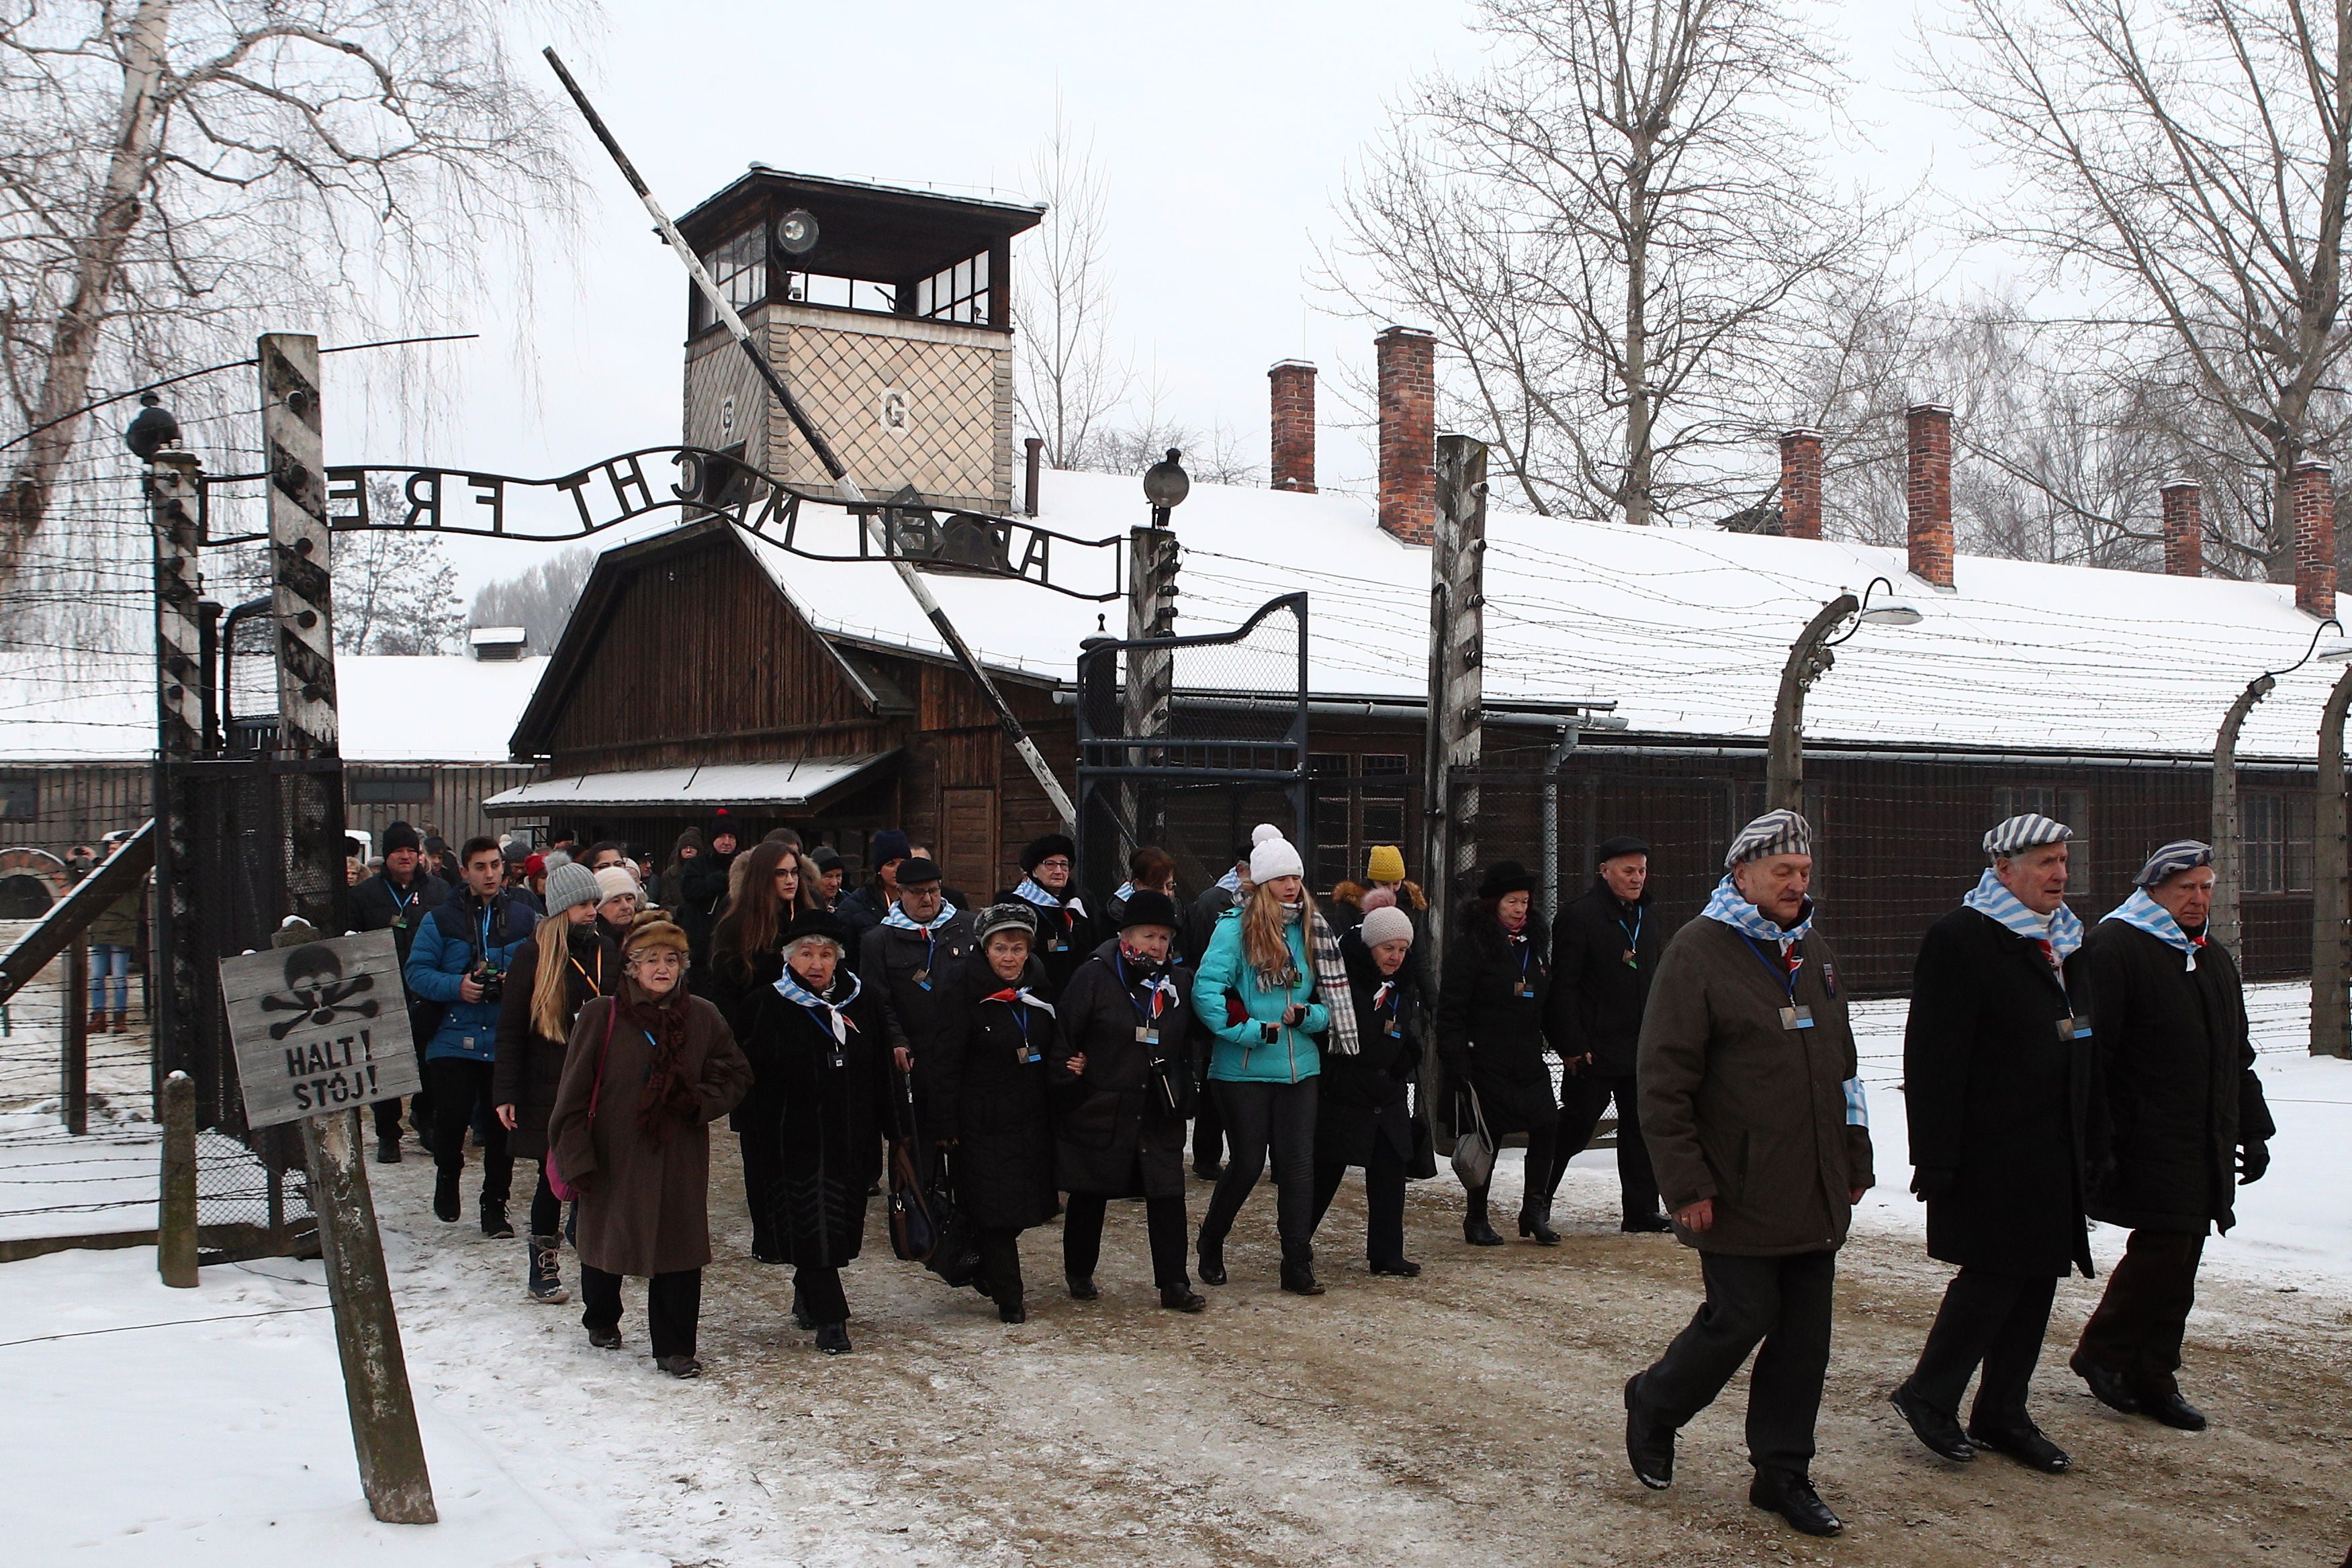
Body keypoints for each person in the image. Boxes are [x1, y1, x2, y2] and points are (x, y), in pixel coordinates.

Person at [1624, 809, 1873, 1538]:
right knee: (1741, 1317)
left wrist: (1855, 1154)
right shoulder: (1698, 952)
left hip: (1817, 1179)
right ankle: (1655, 1402)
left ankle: (1782, 1473)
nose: (1796, 884)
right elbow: (1663, 1081)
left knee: (1805, 1337)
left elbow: (1844, 1067)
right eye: (1782, 873)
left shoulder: (1812, 949)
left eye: (1802, 872)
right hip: (1735, 1182)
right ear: (1742, 876)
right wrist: (1686, 1184)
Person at [1891, 814, 2101, 1475]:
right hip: (1990, 1145)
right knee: (1993, 1275)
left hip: (2053, 1141)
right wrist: (1936, 1153)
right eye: (2044, 861)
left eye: (2063, 859)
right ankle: (1929, 1393)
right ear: (2003, 871)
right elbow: (1931, 1054)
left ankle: (2002, 1410)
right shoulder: (1962, 938)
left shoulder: (2065, 941)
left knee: (2040, 1274)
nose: (2059, 873)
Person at [2069, 840, 2273, 1433]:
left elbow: (2236, 1053)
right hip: (2143, 1130)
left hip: (2202, 1130)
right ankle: (2105, 1352)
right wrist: (2097, 1138)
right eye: (2186, 888)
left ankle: (2153, 1370)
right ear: (2153, 889)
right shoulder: (2117, 947)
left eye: (2206, 887)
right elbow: (2095, 1053)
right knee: (2165, 1246)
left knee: (2185, 1250)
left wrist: (2253, 1129)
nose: (2198, 898)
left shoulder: (2211, 957)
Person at [546, 915, 752, 1377]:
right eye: (652, 959)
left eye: (672, 959)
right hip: (612, 1152)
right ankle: (601, 1318)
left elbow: (736, 1073)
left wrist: (697, 1101)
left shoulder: (703, 1014)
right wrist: (576, 1155)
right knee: (605, 1242)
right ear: (632, 965)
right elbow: (573, 1094)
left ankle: (675, 1348)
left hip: (677, 1152)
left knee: (679, 1249)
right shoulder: (603, 1014)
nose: (663, 968)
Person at [1190, 831, 1343, 1297]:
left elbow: (1332, 1001)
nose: (1291, 884)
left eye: (1296, 875)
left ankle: (1297, 1263)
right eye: (1280, 877)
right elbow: (1206, 992)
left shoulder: (1314, 928)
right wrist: (1249, 1030)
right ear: (1261, 882)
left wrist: (1310, 1017)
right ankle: (1211, 1239)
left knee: (1298, 1167)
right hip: (1244, 1068)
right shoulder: (1234, 927)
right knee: (1249, 1162)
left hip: (1301, 1068)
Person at [739, 909, 891, 1354]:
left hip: (851, 1138)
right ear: (789, 958)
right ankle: (832, 1319)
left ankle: (809, 1295)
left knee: (837, 1232)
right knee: (811, 1225)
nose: (816, 964)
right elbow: (747, 1079)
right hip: (791, 1142)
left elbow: (881, 1070)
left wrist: (894, 1130)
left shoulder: (861, 1002)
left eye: (825, 954)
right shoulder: (765, 1003)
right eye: (806, 953)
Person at [1050, 888, 1207, 1312]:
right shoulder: (1095, 976)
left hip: (1158, 1103)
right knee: (1091, 1190)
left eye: (1164, 938)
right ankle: (1079, 1271)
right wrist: (1073, 1081)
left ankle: (1174, 1283)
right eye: (1148, 937)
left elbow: (1196, 1032)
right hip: (1103, 1101)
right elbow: (1064, 1036)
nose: (1157, 946)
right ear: (1127, 936)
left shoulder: (1179, 980)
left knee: (1167, 1192)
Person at [923, 903, 1061, 1324]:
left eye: (1018, 948)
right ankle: (1009, 1295)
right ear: (985, 950)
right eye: (1000, 947)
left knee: (1020, 1208)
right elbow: (944, 1061)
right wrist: (944, 1123)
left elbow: (1054, 1042)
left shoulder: (1038, 989)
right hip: (980, 1118)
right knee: (995, 1211)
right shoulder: (962, 991)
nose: (1009, 957)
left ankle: (974, 1262)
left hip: (1030, 1118)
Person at [492, 862, 615, 1305]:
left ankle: (588, 1238)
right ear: (562, 908)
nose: (591, 911)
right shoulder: (534, 954)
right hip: (549, 1081)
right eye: (583, 903)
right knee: (553, 1176)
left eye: (594, 903)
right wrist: (505, 1091)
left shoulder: (607, 949)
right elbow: (510, 1028)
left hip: (600, 1080)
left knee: (596, 1167)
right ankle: (543, 1263)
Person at [405, 835, 538, 1235]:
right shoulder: (438, 920)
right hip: (451, 1037)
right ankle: (447, 1177)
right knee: (451, 1121)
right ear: (464, 872)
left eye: (495, 865)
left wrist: (511, 976)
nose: (490, 874)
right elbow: (417, 973)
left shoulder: (523, 917)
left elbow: (540, 968)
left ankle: (495, 1206)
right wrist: (457, 985)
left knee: (503, 1131)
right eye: (480, 867)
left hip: (503, 1039)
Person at [1545, 835, 1670, 1232]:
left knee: (1641, 1130)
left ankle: (1642, 1210)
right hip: (1593, 1050)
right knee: (1577, 1126)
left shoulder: (1648, 916)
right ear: (1605, 871)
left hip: (1640, 1047)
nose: (1637, 879)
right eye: (1629, 871)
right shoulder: (1579, 917)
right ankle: (1538, 1200)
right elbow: (1563, 987)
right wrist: (1573, 1044)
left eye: (1643, 871)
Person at [1437, 860, 1563, 1246]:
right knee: (1485, 1138)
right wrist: (1456, 1060)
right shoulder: (1471, 947)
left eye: (1525, 901)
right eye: (1512, 901)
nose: (1520, 909)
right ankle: (1476, 1218)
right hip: (1483, 1060)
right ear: (1494, 903)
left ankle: (1535, 1210)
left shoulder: (1535, 947)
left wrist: (1571, 1045)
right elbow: (1451, 1010)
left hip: (1526, 1058)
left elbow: (1549, 1005)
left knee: (1547, 1126)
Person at [705, 840, 817, 1262]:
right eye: (781, 874)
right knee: (762, 1151)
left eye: (795, 873)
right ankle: (768, 1235)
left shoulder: (809, 919)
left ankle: (800, 1229)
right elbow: (724, 996)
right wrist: (744, 1050)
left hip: (808, 1051)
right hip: (757, 1057)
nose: (790, 881)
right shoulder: (736, 927)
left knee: (804, 1149)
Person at [1308, 896, 1424, 1278]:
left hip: (1387, 1091)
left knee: (1391, 1172)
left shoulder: (1401, 985)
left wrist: (1408, 1056)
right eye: (1388, 948)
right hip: (1346, 1093)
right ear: (1370, 946)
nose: (1395, 957)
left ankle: (1387, 1254)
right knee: (1325, 1173)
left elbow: (1407, 1026)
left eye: (1402, 950)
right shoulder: (1344, 983)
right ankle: (1296, 1242)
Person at [351, 821, 449, 1162]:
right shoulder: (364, 895)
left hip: (428, 991)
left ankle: (426, 1120)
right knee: (386, 1066)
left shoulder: (440, 891)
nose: (406, 857)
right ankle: (387, 1134)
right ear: (386, 855)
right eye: (398, 851)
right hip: (382, 994)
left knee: (430, 1063)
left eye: (411, 850)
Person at [1180, 837, 1259, 1181]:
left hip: (1257, 1005)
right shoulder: (1213, 901)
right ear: (1243, 869)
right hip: (1226, 1004)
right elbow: (1199, 953)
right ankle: (1207, 1154)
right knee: (1216, 1080)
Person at [860, 856, 975, 1080]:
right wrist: (896, 1040)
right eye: (917, 892)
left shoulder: (968, 927)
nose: (927, 899)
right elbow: (877, 1000)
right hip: (915, 1052)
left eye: (933, 891)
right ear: (900, 893)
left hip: (964, 1049)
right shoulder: (878, 940)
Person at [996, 833, 1097, 997]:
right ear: (1034, 871)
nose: (1059, 871)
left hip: (1079, 992)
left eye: (1064, 865)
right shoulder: (1014, 906)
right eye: (1050, 864)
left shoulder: (1081, 902)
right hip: (1035, 993)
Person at [678, 816, 740, 984]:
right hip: (701, 946)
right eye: (721, 837)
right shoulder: (696, 865)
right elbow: (689, 891)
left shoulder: (742, 866)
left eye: (731, 837)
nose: (726, 842)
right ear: (713, 840)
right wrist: (717, 881)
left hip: (732, 943)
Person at [1328, 844, 1429, 947]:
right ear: (1372, 881)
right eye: (1384, 884)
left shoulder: (1410, 902)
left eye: (1396, 883)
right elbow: (1338, 942)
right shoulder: (1351, 906)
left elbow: (1419, 952)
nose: (1390, 890)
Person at [833, 828, 912, 941]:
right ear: (879, 869)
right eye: (891, 864)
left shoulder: (917, 898)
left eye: (903, 863)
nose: (898, 869)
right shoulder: (855, 905)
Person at [1103, 846, 1177, 930]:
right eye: (1157, 887)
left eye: (1170, 886)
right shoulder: (1118, 911)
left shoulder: (1176, 906)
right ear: (1139, 885)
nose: (1165, 893)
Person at [658, 827, 705, 912]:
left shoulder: (707, 873)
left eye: (692, 848)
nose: (688, 851)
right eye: (685, 848)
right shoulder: (669, 875)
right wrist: (680, 910)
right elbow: (665, 905)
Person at [593, 864, 639, 943]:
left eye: (629, 899)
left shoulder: (650, 934)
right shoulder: (593, 942)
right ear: (598, 908)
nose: (625, 906)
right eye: (616, 901)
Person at [810, 846, 846, 910]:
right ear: (813, 877)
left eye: (838, 876)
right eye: (829, 876)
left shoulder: (849, 904)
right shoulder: (803, 904)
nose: (834, 883)